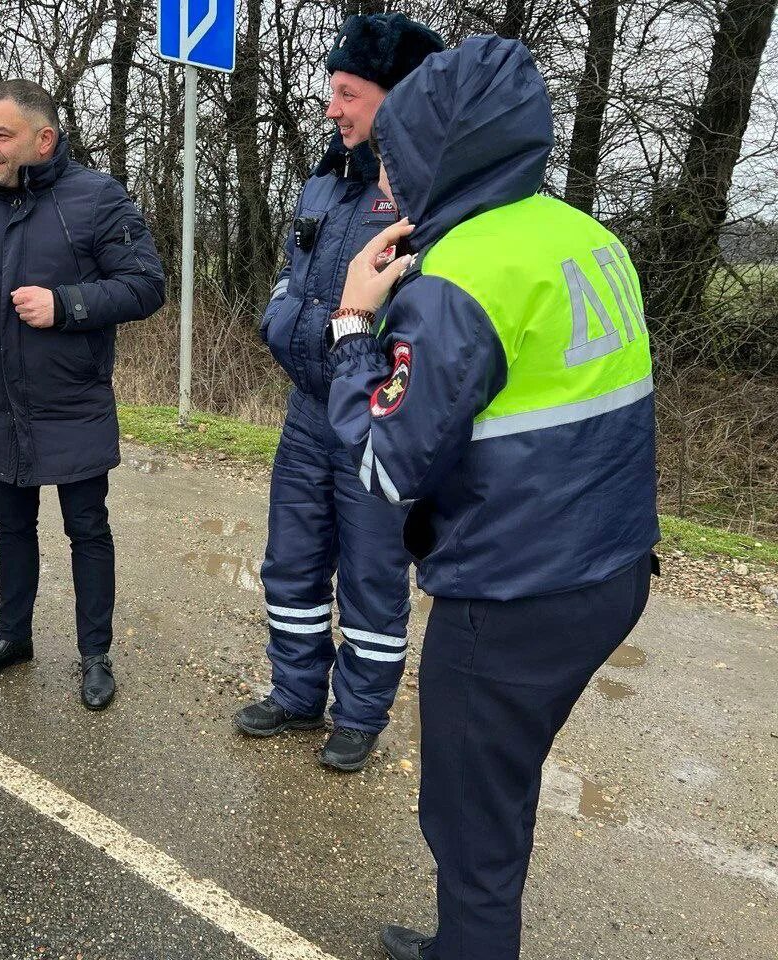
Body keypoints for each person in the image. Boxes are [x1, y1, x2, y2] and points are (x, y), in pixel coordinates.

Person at [325, 37, 659, 959]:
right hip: (615, 568)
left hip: (513, 593)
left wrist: (356, 322)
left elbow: (384, 469)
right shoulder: (587, 234)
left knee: (471, 816)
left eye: (394, 152)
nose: (384, 173)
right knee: (502, 782)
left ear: (442, 148)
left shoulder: (461, 276)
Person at [233, 13, 444, 772]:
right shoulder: (324, 180)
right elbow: (286, 287)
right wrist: (297, 320)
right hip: (304, 416)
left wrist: (324, 327)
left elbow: (418, 327)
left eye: (349, 93)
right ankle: (295, 695)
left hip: (376, 420)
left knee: (371, 577)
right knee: (289, 563)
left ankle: (359, 714)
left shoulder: (433, 200)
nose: (333, 108)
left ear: (401, 99)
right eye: (333, 92)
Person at [0, 80, 165, 711]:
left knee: (87, 529)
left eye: (1, 135)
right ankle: (13, 637)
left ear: (43, 138)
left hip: (73, 397)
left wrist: (66, 305)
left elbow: (145, 286)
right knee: (10, 526)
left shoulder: (97, 197)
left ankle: (95, 655)